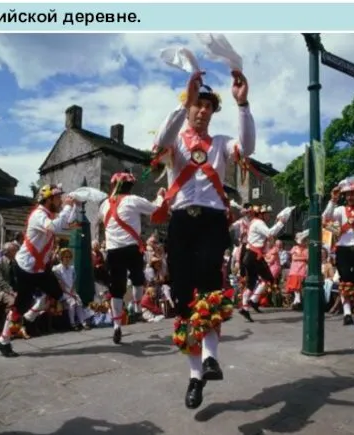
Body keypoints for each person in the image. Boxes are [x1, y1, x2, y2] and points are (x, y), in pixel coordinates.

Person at [150, 69, 255, 409]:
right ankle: (195, 378)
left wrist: (243, 105)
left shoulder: (222, 143)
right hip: (181, 221)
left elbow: (248, 146)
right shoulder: (176, 143)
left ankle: (211, 359)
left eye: (208, 105)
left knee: (210, 286)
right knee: (183, 299)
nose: (203, 110)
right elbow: (161, 141)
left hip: (212, 222)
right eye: (198, 104)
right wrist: (184, 98)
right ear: (188, 106)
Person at [0, 184, 77, 357]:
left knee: (58, 295)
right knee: (19, 307)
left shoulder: (49, 215)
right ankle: (3, 341)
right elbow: (54, 228)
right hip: (26, 268)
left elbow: (63, 226)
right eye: (57, 198)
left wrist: (73, 208)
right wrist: (68, 207)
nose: (60, 201)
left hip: (40, 267)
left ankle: (31, 315)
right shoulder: (39, 215)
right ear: (47, 200)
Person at [99, 171, 161, 343]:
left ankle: (117, 325)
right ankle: (136, 306)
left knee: (116, 289)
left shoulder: (104, 205)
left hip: (112, 251)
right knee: (137, 279)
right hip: (131, 248)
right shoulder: (132, 200)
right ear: (130, 186)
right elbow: (155, 207)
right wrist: (161, 196)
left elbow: (101, 219)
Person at [322, 177, 354, 345]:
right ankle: (347, 313)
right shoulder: (340, 209)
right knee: (344, 282)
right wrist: (333, 199)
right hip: (343, 250)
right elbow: (325, 218)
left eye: (352, 194)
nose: (349, 197)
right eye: (347, 194)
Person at [239, 205, 288, 321]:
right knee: (268, 279)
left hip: (251, 256)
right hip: (254, 256)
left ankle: (246, 307)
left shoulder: (255, 222)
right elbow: (270, 233)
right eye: (266, 214)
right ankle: (253, 301)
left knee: (251, 283)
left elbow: (264, 241)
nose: (268, 216)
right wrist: (281, 223)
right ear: (260, 214)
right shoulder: (259, 223)